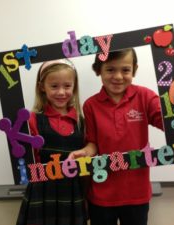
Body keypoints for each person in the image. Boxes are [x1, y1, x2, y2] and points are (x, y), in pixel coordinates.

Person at [68, 48, 164, 225]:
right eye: (110, 69)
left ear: (134, 70)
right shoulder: (90, 105)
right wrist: (85, 152)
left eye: (125, 70)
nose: (118, 76)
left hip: (137, 193)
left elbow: (169, 123)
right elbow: (93, 144)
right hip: (101, 194)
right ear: (99, 70)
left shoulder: (146, 96)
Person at [16, 59, 87, 225]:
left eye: (67, 86)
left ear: (74, 86)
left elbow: (89, 151)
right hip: (41, 190)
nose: (61, 92)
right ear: (42, 87)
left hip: (72, 190)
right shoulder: (32, 120)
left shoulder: (81, 121)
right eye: (54, 86)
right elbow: (25, 158)